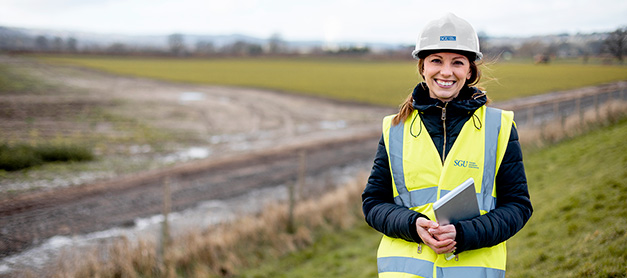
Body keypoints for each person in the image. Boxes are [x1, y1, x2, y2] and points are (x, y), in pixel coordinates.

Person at [361, 13, 533, 278]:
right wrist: (412, 224)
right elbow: (373, 203)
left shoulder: (499, 127)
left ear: (470, 70)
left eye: (457, 62)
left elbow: (518, 207)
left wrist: (463, 235)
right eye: (436, 61)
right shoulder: (394, 129)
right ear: (422, 67)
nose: (446, 71)